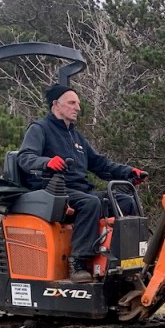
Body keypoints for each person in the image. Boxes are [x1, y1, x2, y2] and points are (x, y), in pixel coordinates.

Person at [17, 83, 149, 284]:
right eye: (72, 103)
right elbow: (25, 157)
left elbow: (100, 164)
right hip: (53, 191)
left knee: (124, 201)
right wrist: (47, 163)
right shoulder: (40, 129)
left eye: (78, 103)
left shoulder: (76, 137)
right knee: (90, 203)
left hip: (80, 191)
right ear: (56, 104)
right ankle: (78, 263)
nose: (77, 108)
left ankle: (125, 261)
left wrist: (129, 172)